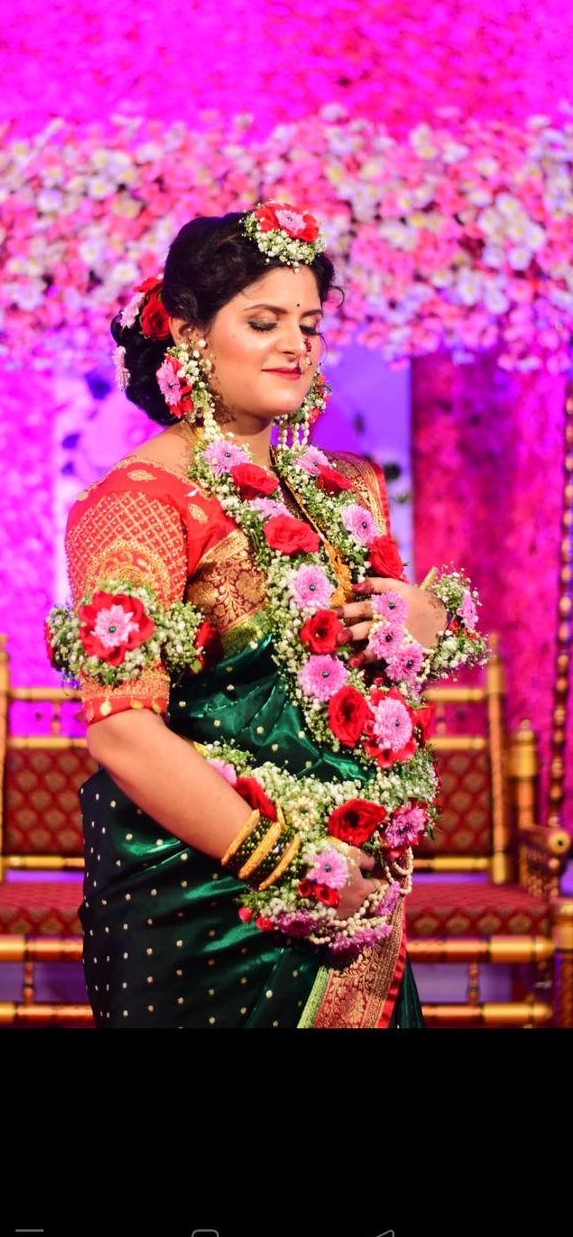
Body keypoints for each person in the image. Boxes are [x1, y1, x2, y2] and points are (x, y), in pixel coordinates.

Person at [56, 205, 487, 1027]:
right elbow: (120, 730)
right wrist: (293, 862)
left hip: (357, 894)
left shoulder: (346, 491)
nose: (295, 343)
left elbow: (350, 697)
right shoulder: (138, 504)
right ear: (187, 331)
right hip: (204, 907)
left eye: (309, 323)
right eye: (263, 320)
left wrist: (424, 627)